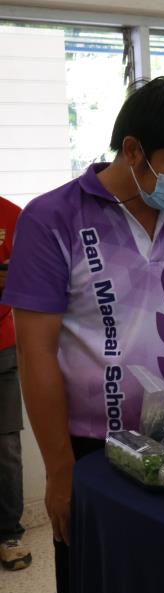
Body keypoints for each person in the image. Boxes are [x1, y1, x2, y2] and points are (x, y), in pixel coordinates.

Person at [2, 77, 164, 593]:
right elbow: (36, 353)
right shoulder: (54, 218)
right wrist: (59, 471)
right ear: (132, 150)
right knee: (101, 581)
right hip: (95, 451)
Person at [0, 195, 28, 571]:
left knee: (6, 447)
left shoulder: (12, 215)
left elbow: (33, 278)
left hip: (3, 348)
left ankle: (9, 534)